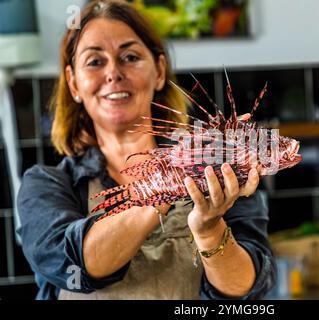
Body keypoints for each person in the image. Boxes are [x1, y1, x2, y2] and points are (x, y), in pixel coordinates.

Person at [17, 0, 276, 300]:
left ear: (160, 71)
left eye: (130, 56)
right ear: (74, 83)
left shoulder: (215, 168)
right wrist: (169, 183)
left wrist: (209, 230)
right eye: (94, 61)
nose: (114, 72)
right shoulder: (47, 185)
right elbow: (78, 266)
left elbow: (245, 290)